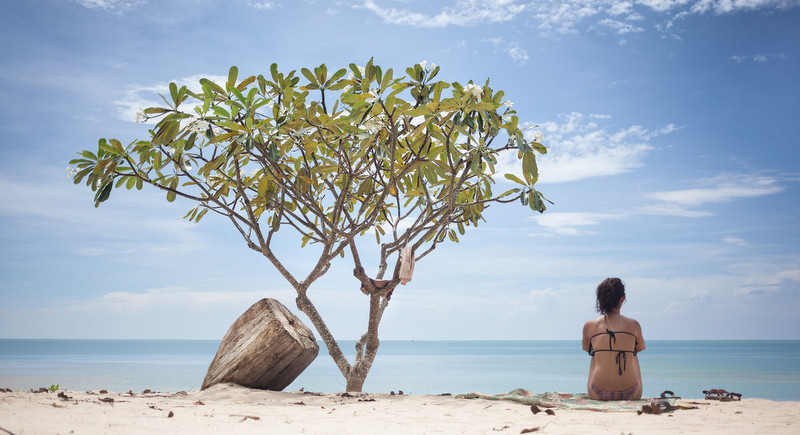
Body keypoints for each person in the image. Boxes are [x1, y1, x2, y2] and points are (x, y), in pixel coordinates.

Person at [582, 277, 645, 400]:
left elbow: (585, 348)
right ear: (622, 299)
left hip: (598, 393)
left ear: (600, 300)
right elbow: (641, 347)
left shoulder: (589, 326)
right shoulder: (634, 325)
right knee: (633, 351)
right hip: (631, 393)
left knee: (594, 351)